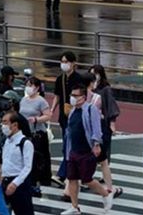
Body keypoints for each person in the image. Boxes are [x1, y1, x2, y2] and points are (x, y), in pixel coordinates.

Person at [61, 85, 114, 215]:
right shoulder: (73, 111)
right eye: (71, 95)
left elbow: (96, 129)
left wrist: (96, 144)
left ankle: (106, 194)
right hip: (73, 151)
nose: (72, 98)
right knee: (72, 178)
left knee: (87, 179)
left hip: (87, 151)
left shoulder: (91, 109)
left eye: (75, 96)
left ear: (83, 97)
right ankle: (75, 207)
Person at [84, 70, 122, 199]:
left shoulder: (76, 97)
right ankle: (109, 189)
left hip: (82, 133)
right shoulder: (96, 98)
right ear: (91, 83)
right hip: (96, 133)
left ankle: (71, 189)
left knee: (79, 163)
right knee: (103, 162)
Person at [51, 51, 83, 187]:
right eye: (62, 62)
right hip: (64, 116)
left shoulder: (78, 79)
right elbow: (57, 96)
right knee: (67, 146)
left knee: (69, 146)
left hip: (75, 116)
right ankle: (72, 174)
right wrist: (52, 109)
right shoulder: (60, 79)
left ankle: (63, 174)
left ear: (73, 63)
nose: (64, 64)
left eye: (66, 62)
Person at [19, 77, 52, 192]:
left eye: (31, 85)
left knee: (39, 157)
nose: (28, 87)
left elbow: (48, 115)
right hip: (25, 132)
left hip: (37, 133)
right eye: (27, 85)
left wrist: (36, 119)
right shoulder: (23, 100)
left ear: (37, 87)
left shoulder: (41, 101)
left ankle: (41, 178)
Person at [0, 111, 34, 215]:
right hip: (5, 181)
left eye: (5, 122)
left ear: (15, 125)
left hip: (20, 184)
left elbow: (27, 167)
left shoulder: (25, 143)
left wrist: (15, 183)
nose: (3, 126)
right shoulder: (7, 141)